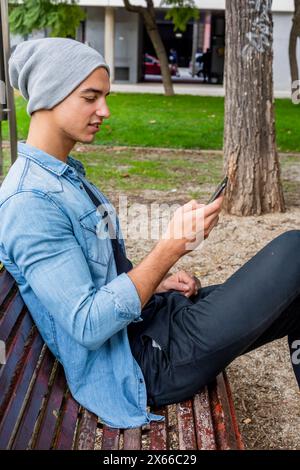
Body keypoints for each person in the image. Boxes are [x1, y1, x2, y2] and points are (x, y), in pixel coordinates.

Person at [0, 38, 299, 430]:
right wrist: (169, 250)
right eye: (91, 97)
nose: (103, 110)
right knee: (295, 251)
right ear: (48, 96)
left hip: (153, 322)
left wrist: (156, 281)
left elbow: (95, 280)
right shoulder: (29, 202)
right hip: (145, 362)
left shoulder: (67, 178)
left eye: (104, 97)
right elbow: (88, 325)